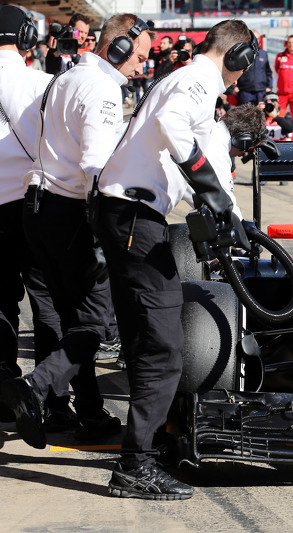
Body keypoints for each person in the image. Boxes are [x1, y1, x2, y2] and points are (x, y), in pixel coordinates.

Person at [95, 19, 256, 500]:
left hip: (126, 213)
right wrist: (212, 192)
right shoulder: (197, 81)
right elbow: (175, 131)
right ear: (238, 57)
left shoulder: (184, 79)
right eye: (244, 66)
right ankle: (135, 466)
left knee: (148, 343)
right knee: (165, 348)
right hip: (134, 217)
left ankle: (141, 452)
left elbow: (202, 154)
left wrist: (233, 214)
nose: (242, 77)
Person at [0, 15, 152, 450]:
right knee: (93, 318)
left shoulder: (65, 78)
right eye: (138, 56)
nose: (142, 66)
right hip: (68, 212)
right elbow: (95, 167)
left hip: (37, 206)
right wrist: (112, 226)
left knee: (66, 315)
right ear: (117, 47)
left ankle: (86, 410)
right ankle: (38, 389)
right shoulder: (99, 88)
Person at [0, 4, 62, 424]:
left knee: (1, 301)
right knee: (48, 304)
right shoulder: (43, 83)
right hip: (36, 204)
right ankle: (50, 398)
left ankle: (3, 386)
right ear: (24, 38)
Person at [236, 30, 272, 105]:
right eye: (252, 38)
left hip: (261, 92)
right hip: (245, 92)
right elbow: (234, 70)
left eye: (257, 38)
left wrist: (269, 87)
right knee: (245, 115)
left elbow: (268, 72)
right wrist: (233, 88)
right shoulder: (242, 54)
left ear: (259, 40)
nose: (255, 40)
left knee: (260, 116)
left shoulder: (263, 54)